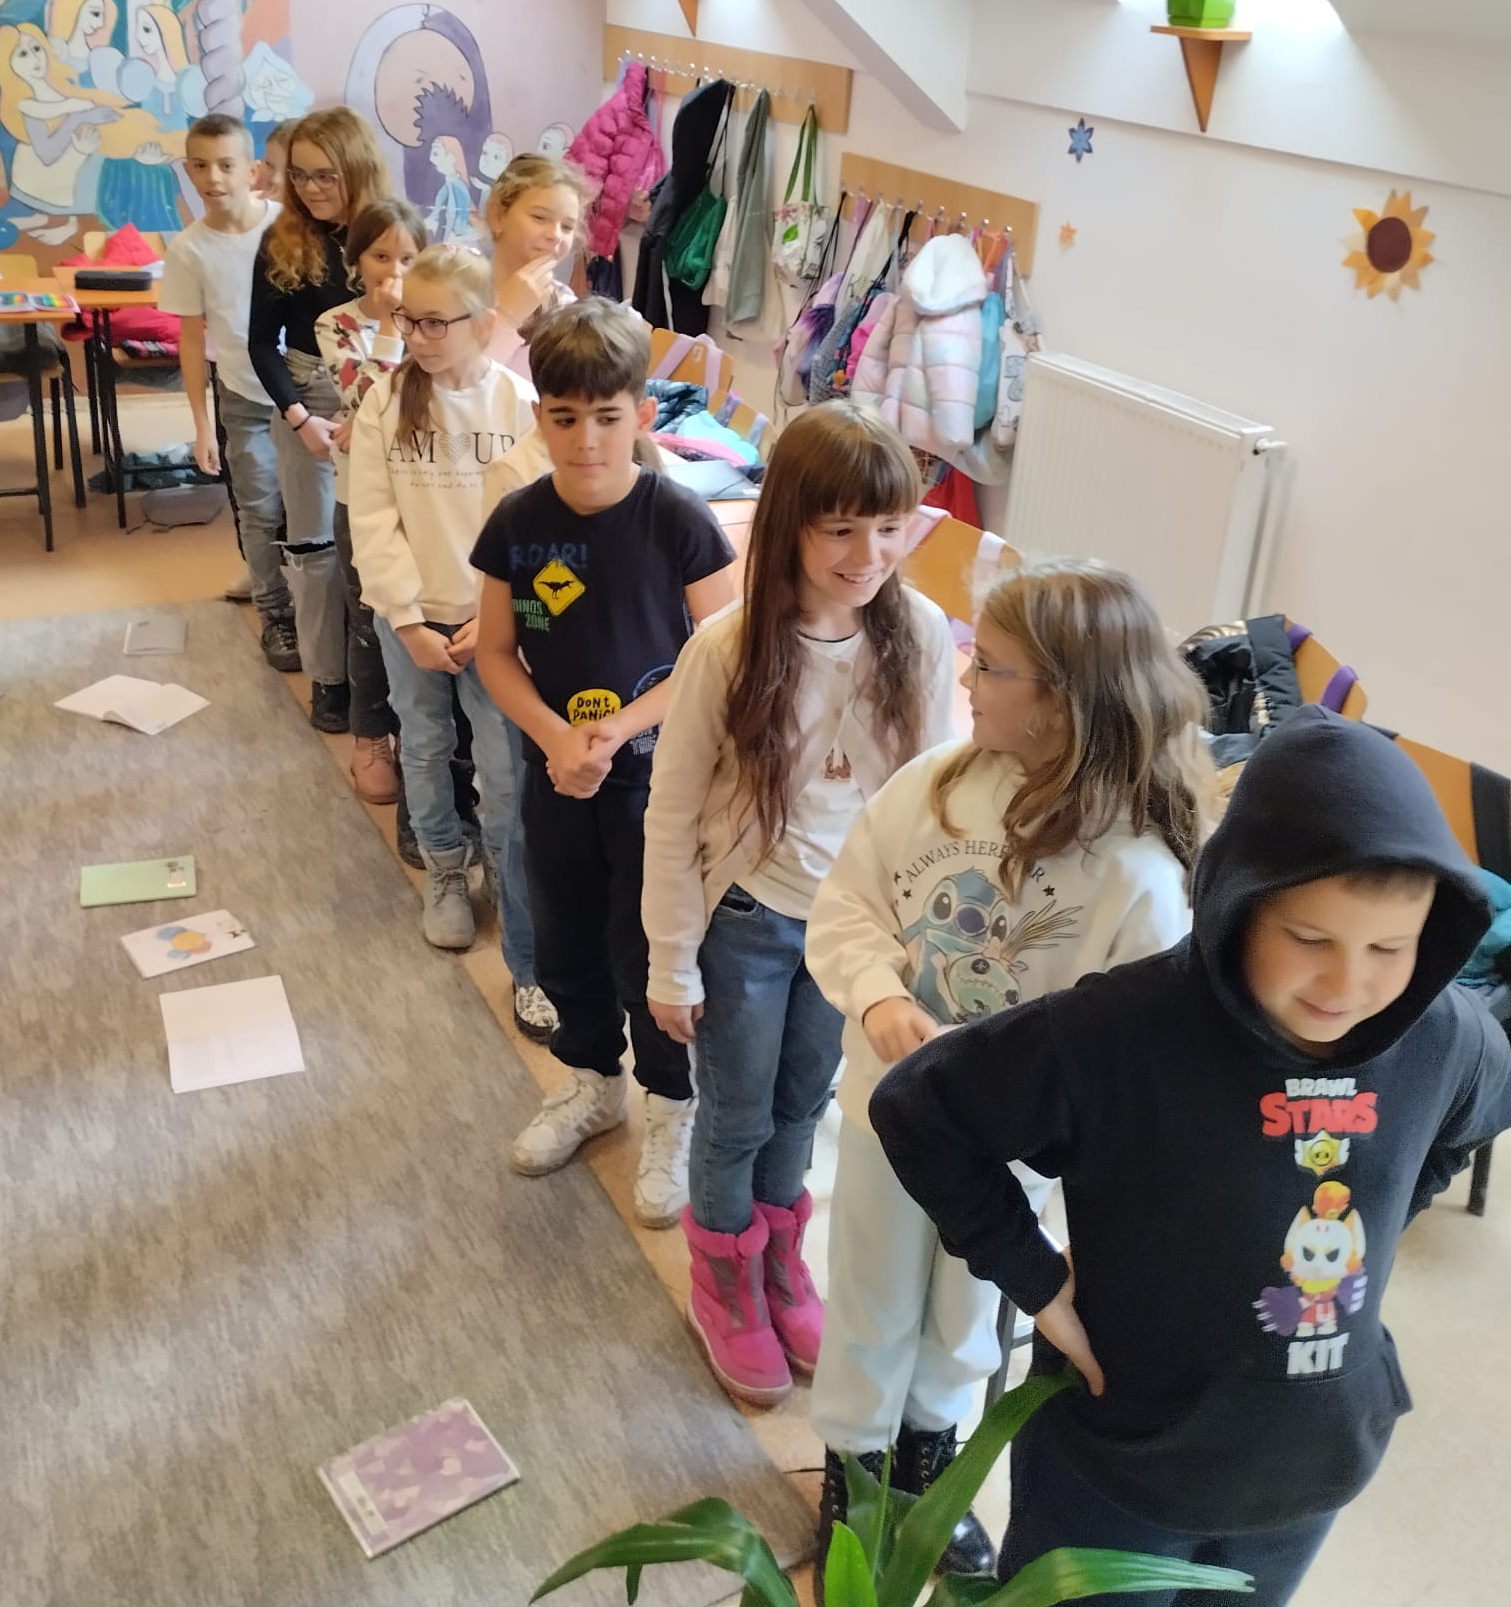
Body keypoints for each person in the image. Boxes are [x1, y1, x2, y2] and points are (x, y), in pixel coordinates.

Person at [871, 705, 1511, 1607]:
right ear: (1239, 904)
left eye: (1389, 948)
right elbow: (919, 1108)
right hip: (1114, 1471)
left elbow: (1471, 1118)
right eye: (1310, 940)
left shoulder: (1445, 1037)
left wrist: (1388, 1205)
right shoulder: (1116, 1032)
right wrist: (1031, 1276)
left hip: (1307, 1472)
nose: (1348, 983)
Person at [805, 561, 1211, 1587]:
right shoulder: (935, 786)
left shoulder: (1138, 873)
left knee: (964, 1322)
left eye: (989, 666)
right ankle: (856, 1474)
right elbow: (848, 904)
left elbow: (1135, 1054)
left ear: (1062, 702)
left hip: (1014, 1156)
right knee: (871, 1298)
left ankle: (929, 1471)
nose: (966, 678)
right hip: (889, 1115)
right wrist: (880, 997)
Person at [642, 403, 957, 1408]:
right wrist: (670, 961)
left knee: (802, 1106)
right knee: (736, 1114)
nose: (868, 556)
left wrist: (916, 948)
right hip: (748, 923)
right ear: (791, 523)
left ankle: (780, 1264)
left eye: (889, 528)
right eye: (840, 529)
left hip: (853, 933)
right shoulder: (728, 648)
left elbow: (936, 802)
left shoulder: (920, 634)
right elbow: (672, 812)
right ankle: (725, 1281)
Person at [473, 298, 735, 1225]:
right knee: (564, 937)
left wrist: (617, 730)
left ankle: (669, 1104)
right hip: (557, 779)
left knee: (648, 950)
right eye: (565, 417)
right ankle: (590, 1082)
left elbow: (723, 655)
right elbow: (495, 652)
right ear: (539, 416)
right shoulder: (516, 522)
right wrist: (555, 738)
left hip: (659, 790)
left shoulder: (680, 521)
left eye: (607, 417)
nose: (586, 440)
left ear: (642, 415)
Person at [348, 247, 554, 1042]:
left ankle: (508, 884)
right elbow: (373, 519)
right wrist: (406, 619)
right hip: (411, 618)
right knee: (426, 745)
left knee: (505, 773)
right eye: (410, 320)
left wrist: (497, 616)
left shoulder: (519, 401)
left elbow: (536, 526)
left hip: (492, 626)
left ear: (485, 323)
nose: (418, 336)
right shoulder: (385, 401)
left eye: (437, 323)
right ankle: (444, 870)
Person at [248, 107, 391, 734]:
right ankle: (329, 681)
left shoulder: (390, 230)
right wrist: (301, 419)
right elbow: (261, 343)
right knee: (315, 549)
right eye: (299, 176)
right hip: (309, 395)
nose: (309, 188)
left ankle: (379, 684)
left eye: (325, 175)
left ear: (357, 168)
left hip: (384, 390)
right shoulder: (282, 239)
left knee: (376, 546)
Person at [160, 113, 296, 667]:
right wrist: (201, 425)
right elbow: (191, 339)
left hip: (308, 391)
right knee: (259, 508)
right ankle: (276, 615)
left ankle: (317, 601)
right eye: (199, 166)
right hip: (243, 397)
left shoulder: (288, 226)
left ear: (252, 170)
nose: (212, 178)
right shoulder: (189, 249)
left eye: (225, 165)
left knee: (315, 509)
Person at [315, 198, 424, 806]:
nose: (394, 271)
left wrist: (370, 416)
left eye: (408, 258)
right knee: (368, 621)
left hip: (425, 495)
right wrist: (388, 326)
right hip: (359, 496)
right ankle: (371, 738)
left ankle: (415, 737)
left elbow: (440, 390)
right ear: (356, 260)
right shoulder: (336, 323)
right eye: (381, 256)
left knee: (416, 615)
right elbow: (363, 394)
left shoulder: (435, 318)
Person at [481, 150, 588, 380]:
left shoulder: (567, 310)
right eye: (540, 217)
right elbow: (452, 388)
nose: (555, 235)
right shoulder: (457, 291)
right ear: (498, 216)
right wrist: (507, 316)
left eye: (567, 227)